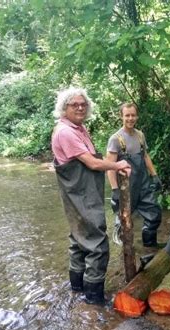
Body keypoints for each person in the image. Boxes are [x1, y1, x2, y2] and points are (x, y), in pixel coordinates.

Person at [51, 88, 130, 305]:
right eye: (74, 104)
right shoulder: (65, 132)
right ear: (64, 108)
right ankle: (94, 298)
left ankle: (77, 289)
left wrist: (115, 162)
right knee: (96, 242)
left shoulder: (79, 128)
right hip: (80, 195)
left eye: (83, 104)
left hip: (81, 193)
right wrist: (117, 164)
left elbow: (95, 158)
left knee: (78, 238)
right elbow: (93, 163)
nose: (80, 107)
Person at [106, 103, 162, 247]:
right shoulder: (115, 139)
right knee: (124, 224)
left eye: (133, 115)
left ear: (137, 116)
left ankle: (149, 247)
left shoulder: (140, 135)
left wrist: (154, 175)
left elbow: (145, 156)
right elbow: (110, 167)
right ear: (121, 116)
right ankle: (124, 257)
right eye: (127, 115)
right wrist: (115, 190)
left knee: (154, 214)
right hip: (126, 189)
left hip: (143, 185)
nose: (130, 118)